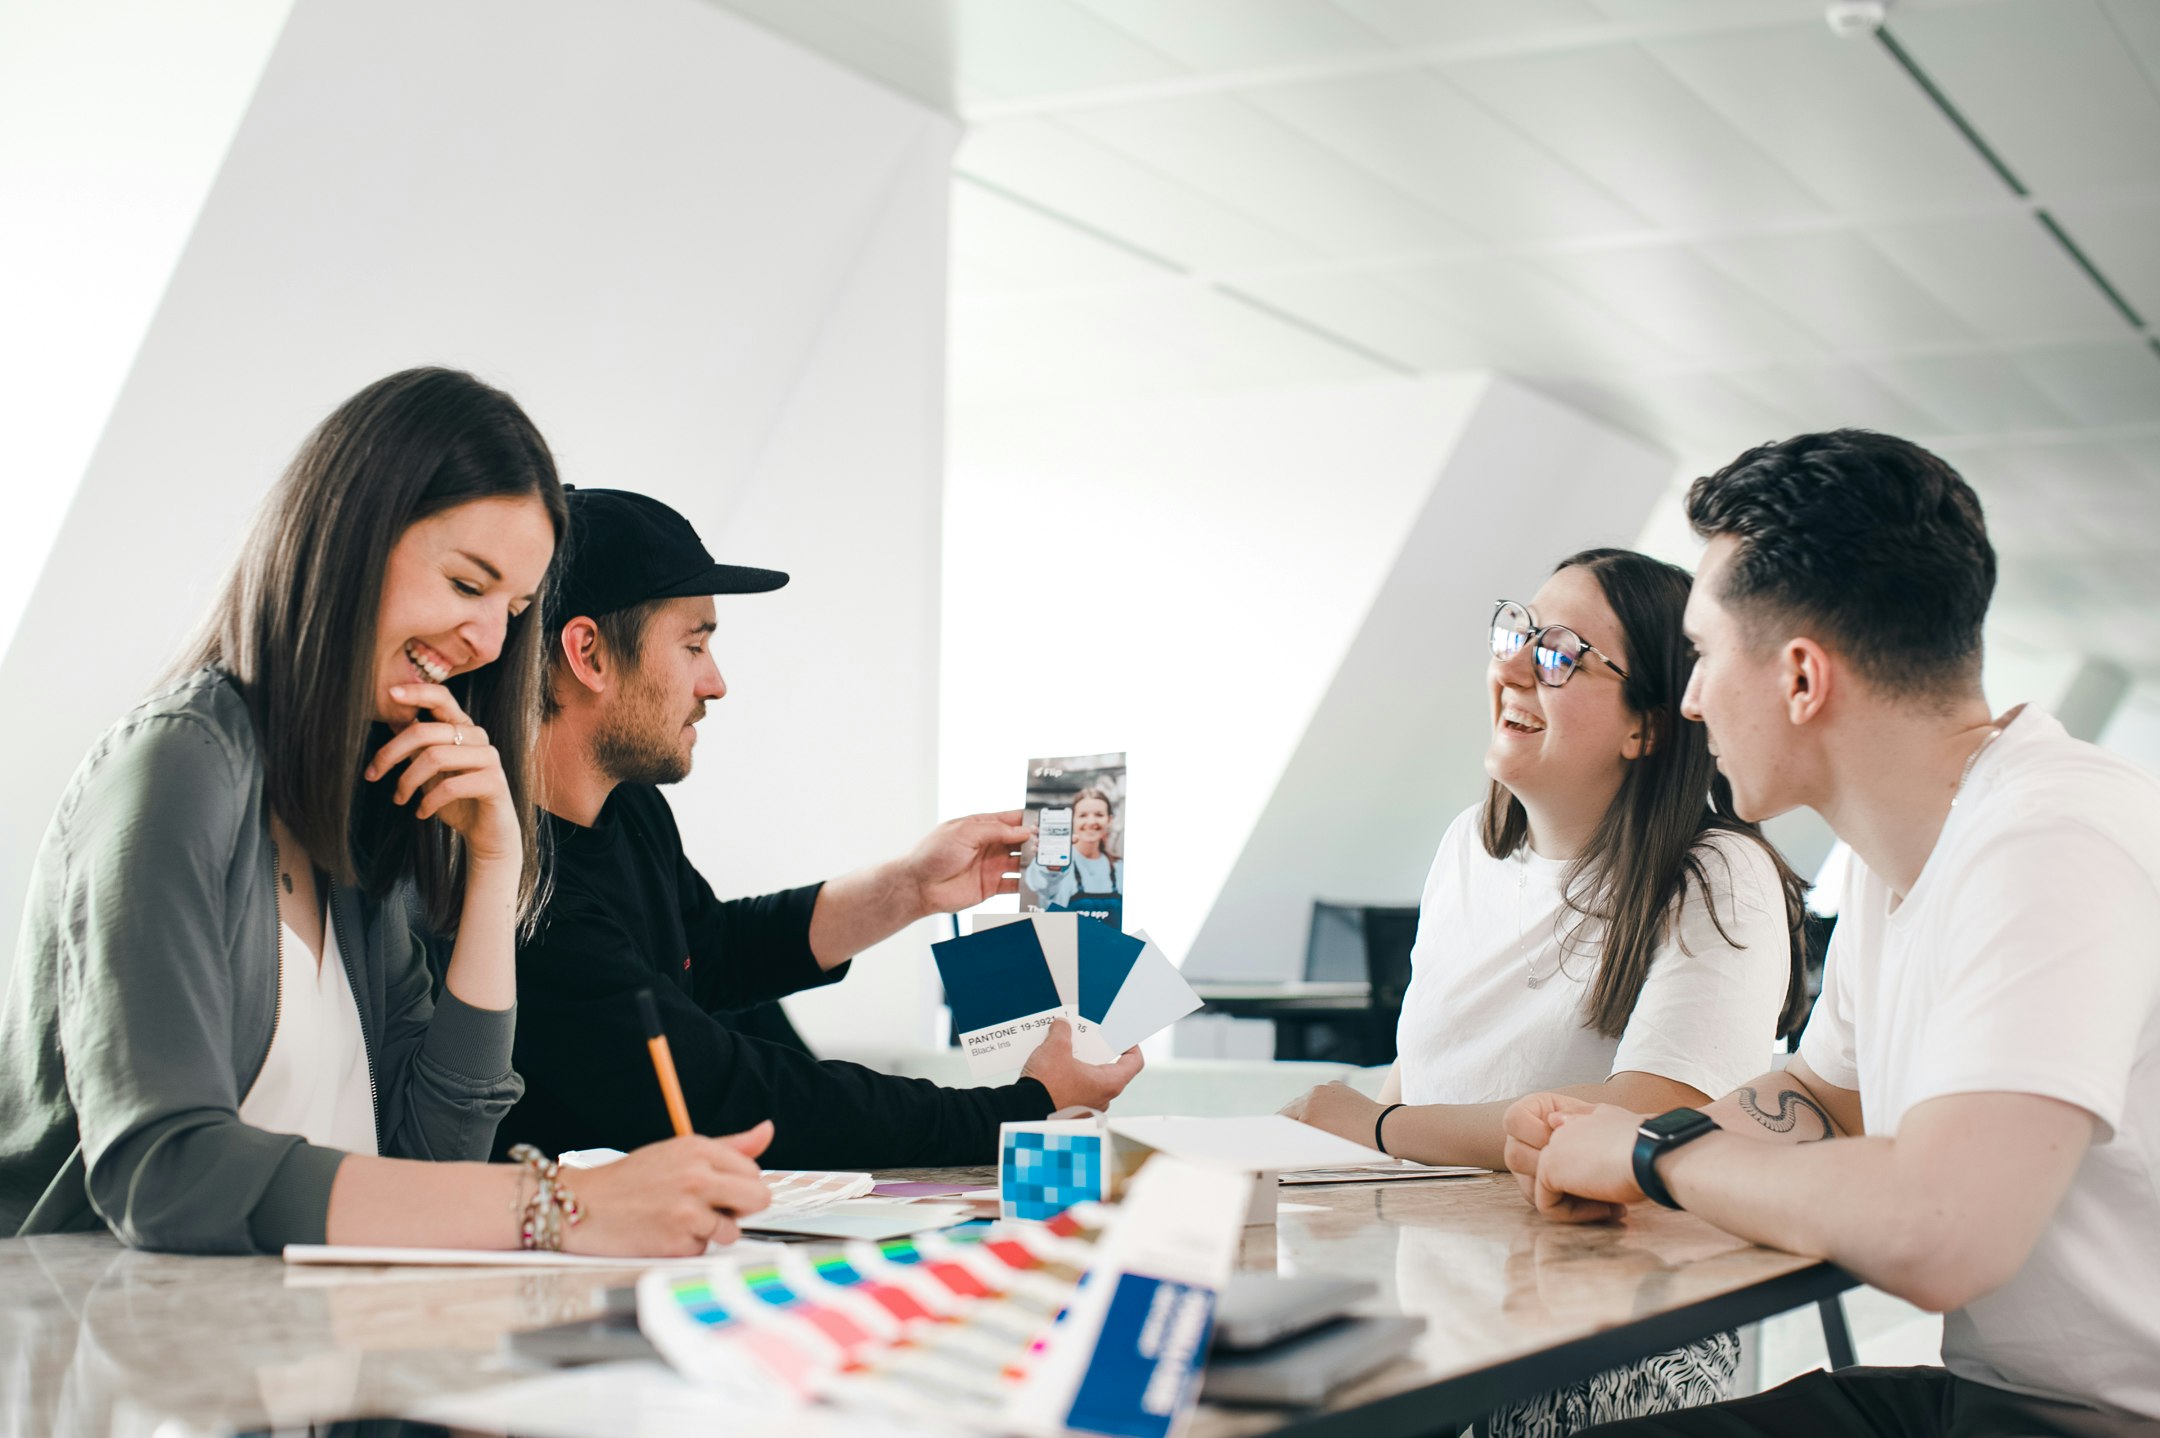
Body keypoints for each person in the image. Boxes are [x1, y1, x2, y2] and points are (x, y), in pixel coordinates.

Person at [0, 370, 772, 1256]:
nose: (487, 639)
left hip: (301, 1356)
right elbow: (165, 1174)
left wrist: (493, 871)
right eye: (466, 584)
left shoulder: (369, 800)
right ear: (346, 539)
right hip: (129, 1360)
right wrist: (562, 1206)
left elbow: (433, 1155)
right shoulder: (179, 764)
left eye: (514, 610)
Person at [1508, 431, 2160, 1435]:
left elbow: (1943, 1229)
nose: (1688, 699)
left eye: (1705, 655)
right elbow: (1824, 1095)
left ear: (1802, 679)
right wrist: (1618, 1137)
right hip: (1999, 1403)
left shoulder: (2054, 834)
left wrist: (1652, 1161)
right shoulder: (1904, 863)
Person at [1283, 547, 1808, 1431]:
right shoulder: (1467, 849)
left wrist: (1377, 1130)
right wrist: (1344, 1159)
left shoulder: (1717, 874)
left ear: (1646, 724)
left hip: (1611, 1332)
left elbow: (1646, 1116)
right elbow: (1422, 1080)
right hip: (1447, 1295)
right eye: (1516, 632)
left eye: (1561, 653)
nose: (1516, 664)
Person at [495, 487, 1142, 1171]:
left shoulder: (630, 811)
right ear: (588, 653)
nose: (715, 684)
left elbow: (709, 953)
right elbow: (723, 1091)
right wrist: (1022, 1111)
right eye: (694, 645)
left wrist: (910, 888)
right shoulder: (515, 887)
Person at [1023, 786, 1123, 923]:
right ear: (1073, 819)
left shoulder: (1121, 868)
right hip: (1064, 943)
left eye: (1099, 815)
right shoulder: (1053, 863)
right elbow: (1041, 885)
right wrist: (1051, 868)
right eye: (1083, 815)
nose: (1091, 822)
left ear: (1109, 819)